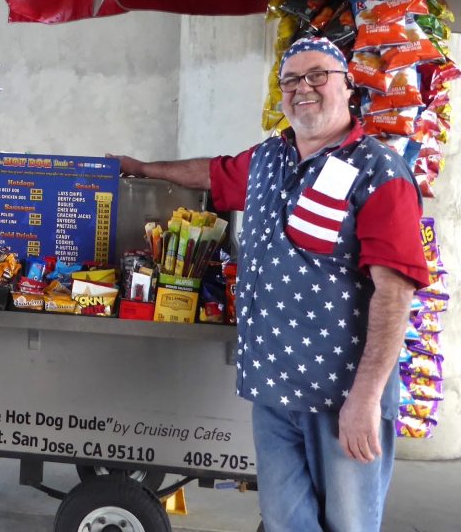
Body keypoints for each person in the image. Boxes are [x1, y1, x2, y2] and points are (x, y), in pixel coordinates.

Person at [113, 37, 429, 532]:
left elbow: (395, 293)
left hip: (340, 394)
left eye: (317, 75)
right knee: (284, 522)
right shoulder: (268, 159)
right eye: (291, 79)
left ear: (348, 87)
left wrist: (365, 400)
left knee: (348, 525)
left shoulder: (378, 170)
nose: (303, 88)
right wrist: (144, 169)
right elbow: (210, 174)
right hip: (272, 388)